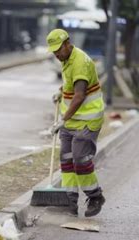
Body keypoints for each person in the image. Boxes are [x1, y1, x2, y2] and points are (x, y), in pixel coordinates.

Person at [47, 29, 105, 217]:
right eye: (54, 51)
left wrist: (61, 121)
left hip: (87, 119)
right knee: (66, 158)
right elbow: (72, 86)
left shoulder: (80, 61)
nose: (56, 54)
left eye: (58, 50)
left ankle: (95, 196)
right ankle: (70, 201)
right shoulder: (66, 59)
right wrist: (62, 91)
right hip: (71, 120)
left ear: (67, 43)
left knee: (80, 159)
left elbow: (79, 96)